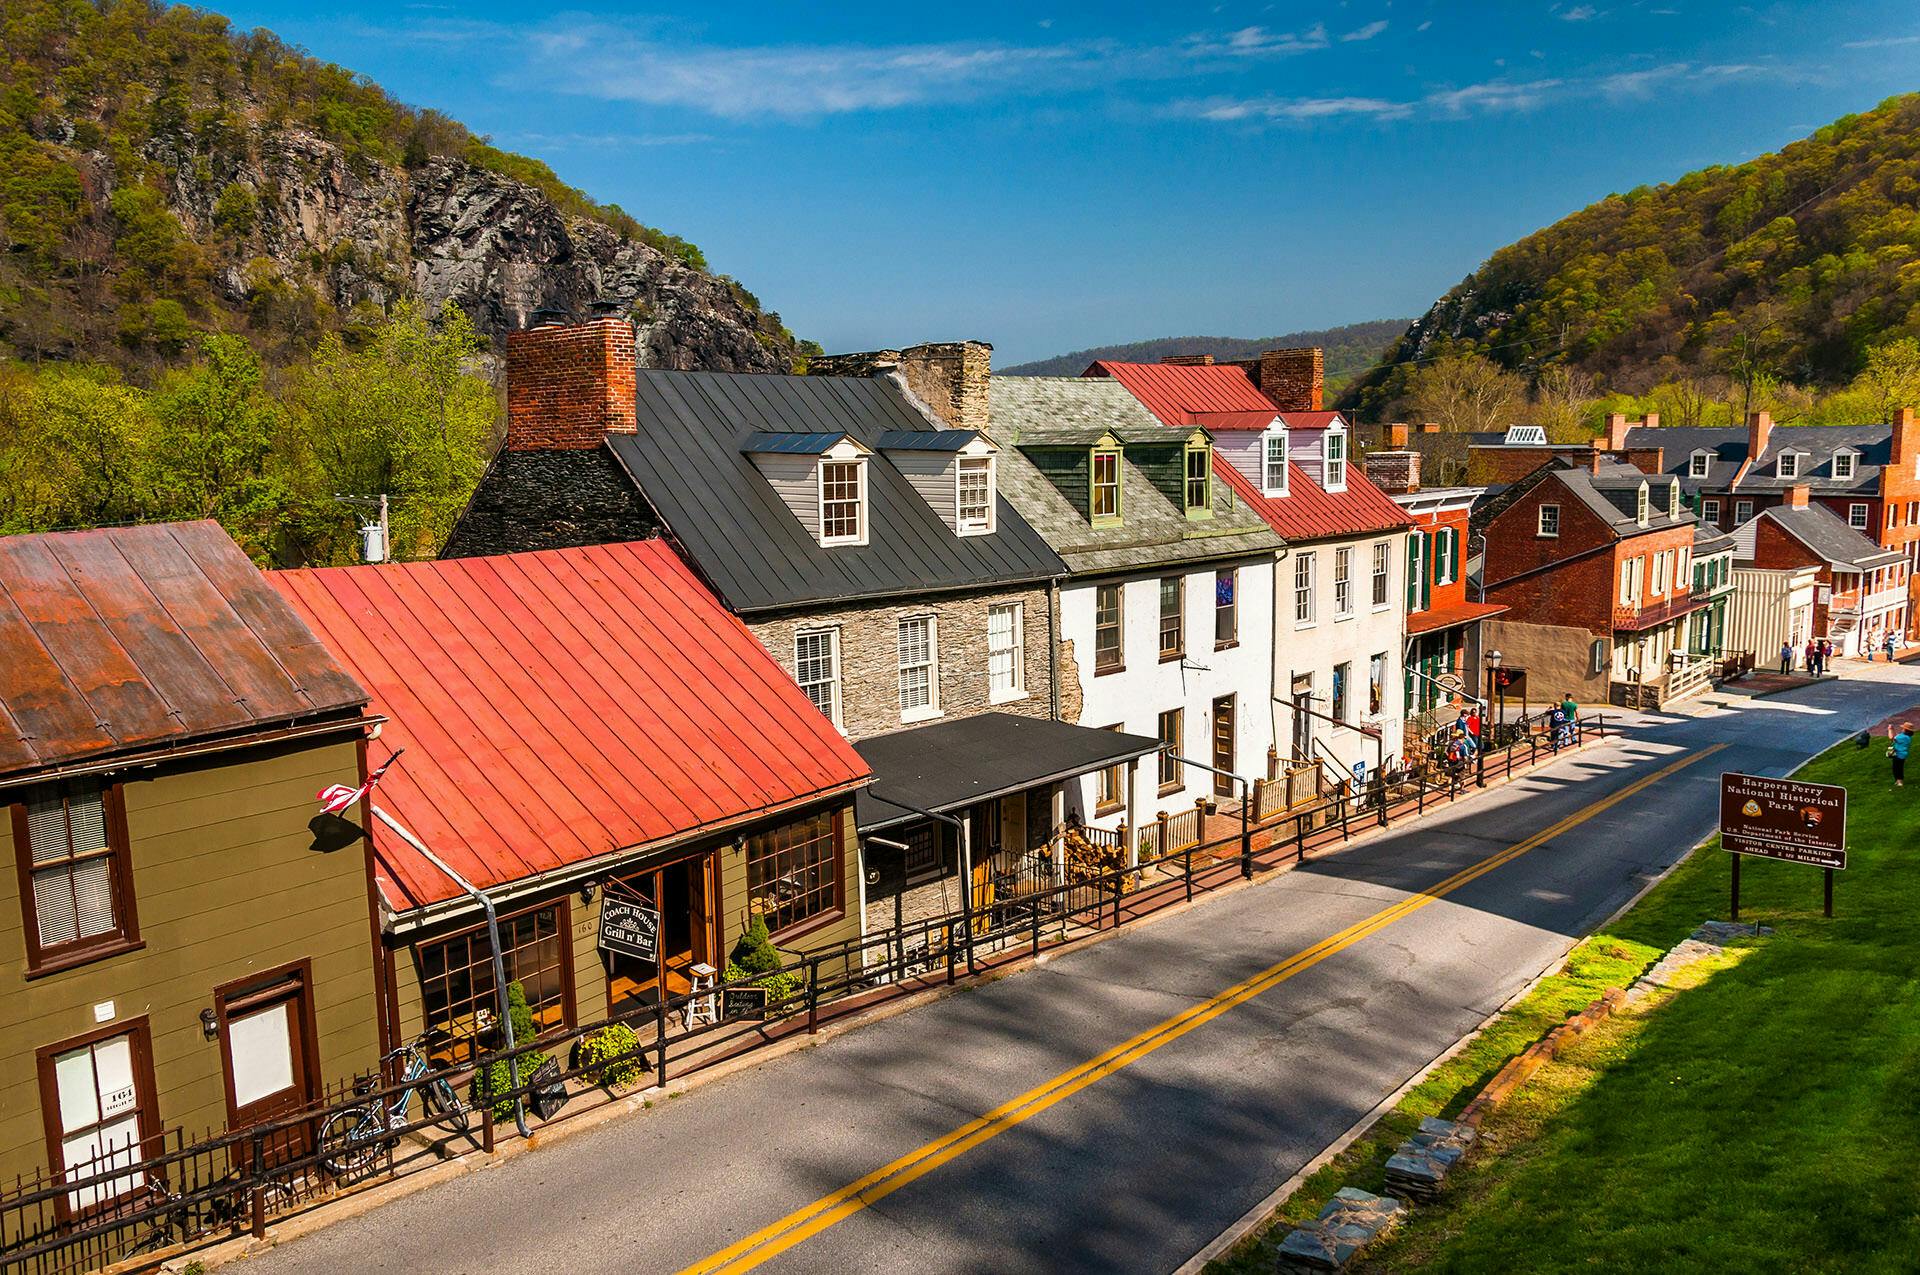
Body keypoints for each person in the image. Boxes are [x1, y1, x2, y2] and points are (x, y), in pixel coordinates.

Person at [1888, 722, 1912, 788]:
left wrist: (1889, 729)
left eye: (1903, 728)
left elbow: (1891, 738)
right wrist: (1893, 729)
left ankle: (1899, 781)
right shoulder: (1907, 737)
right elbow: (1896, 737)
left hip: (1898, 754)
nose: (1902, 729)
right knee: (1898, 767)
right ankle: (1898, 781)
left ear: (1905, 730)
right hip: (1903, 754)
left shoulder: (1903, 737)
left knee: (1896, 768)